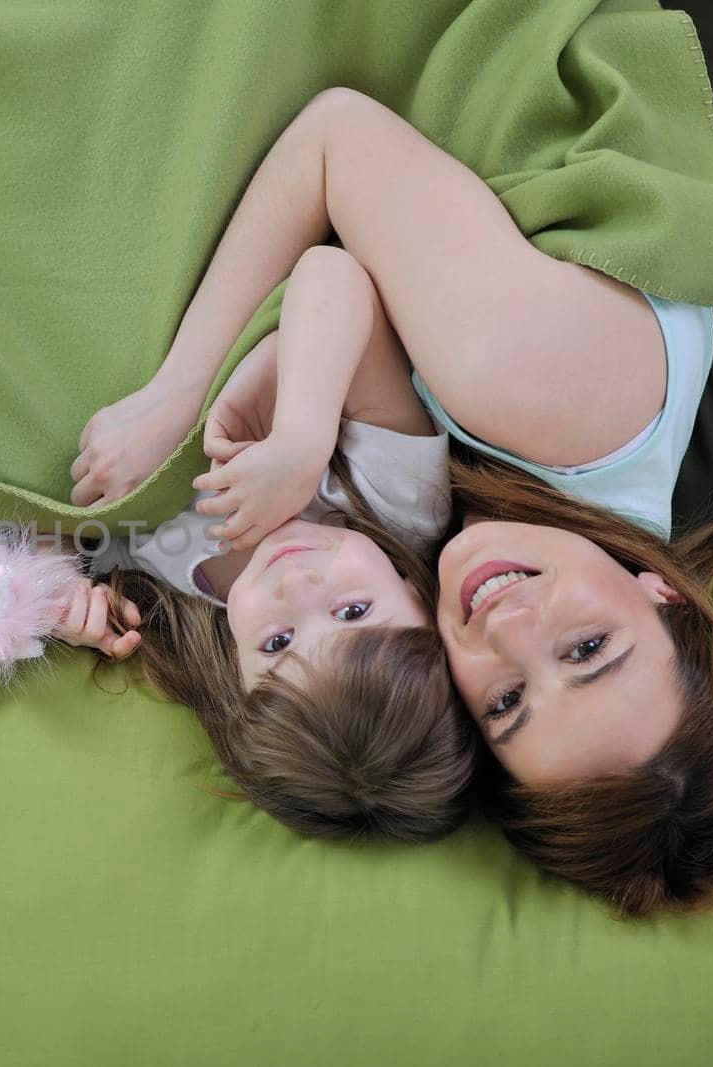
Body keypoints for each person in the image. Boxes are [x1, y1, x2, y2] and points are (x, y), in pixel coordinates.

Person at [75, 87, 713, 911]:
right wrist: (179, 392)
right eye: (588, 648)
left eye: (507, 700)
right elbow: (334, 137)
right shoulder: (536, 392)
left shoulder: (437, 536)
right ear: (661, 594)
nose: (508, 628)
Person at [85, 239, 476, 842]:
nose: (295, 586)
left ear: (237, 677)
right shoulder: (396, 506)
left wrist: (52, 591)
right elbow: (331, 274)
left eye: (277, 641)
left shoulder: (170, 592)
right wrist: (301, 440)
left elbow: (45, 525)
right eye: (353, 611)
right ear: (421, 605)